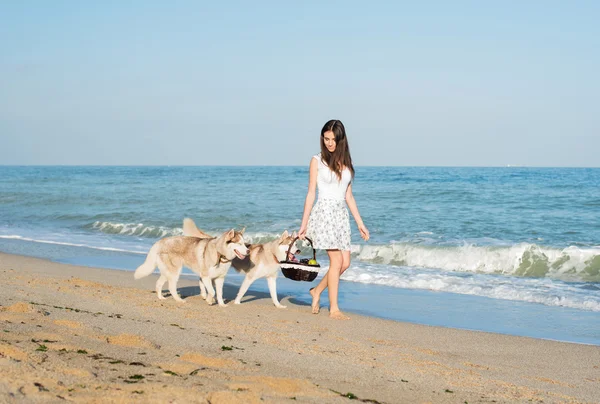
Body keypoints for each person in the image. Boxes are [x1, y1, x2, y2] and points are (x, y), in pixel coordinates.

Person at [298, 119, 369, 320]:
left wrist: (360, 223)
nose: (329, 143)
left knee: (345, 263)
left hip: (341, 217)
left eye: (333, 139)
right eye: (326, 138)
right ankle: (334, 309)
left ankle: (316, 291)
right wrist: (303, 224)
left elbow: (349, 196)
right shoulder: (317, 160)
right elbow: (311, 192)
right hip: (325, 214)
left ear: (341, 140)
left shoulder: (346, 163)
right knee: (336, 260)